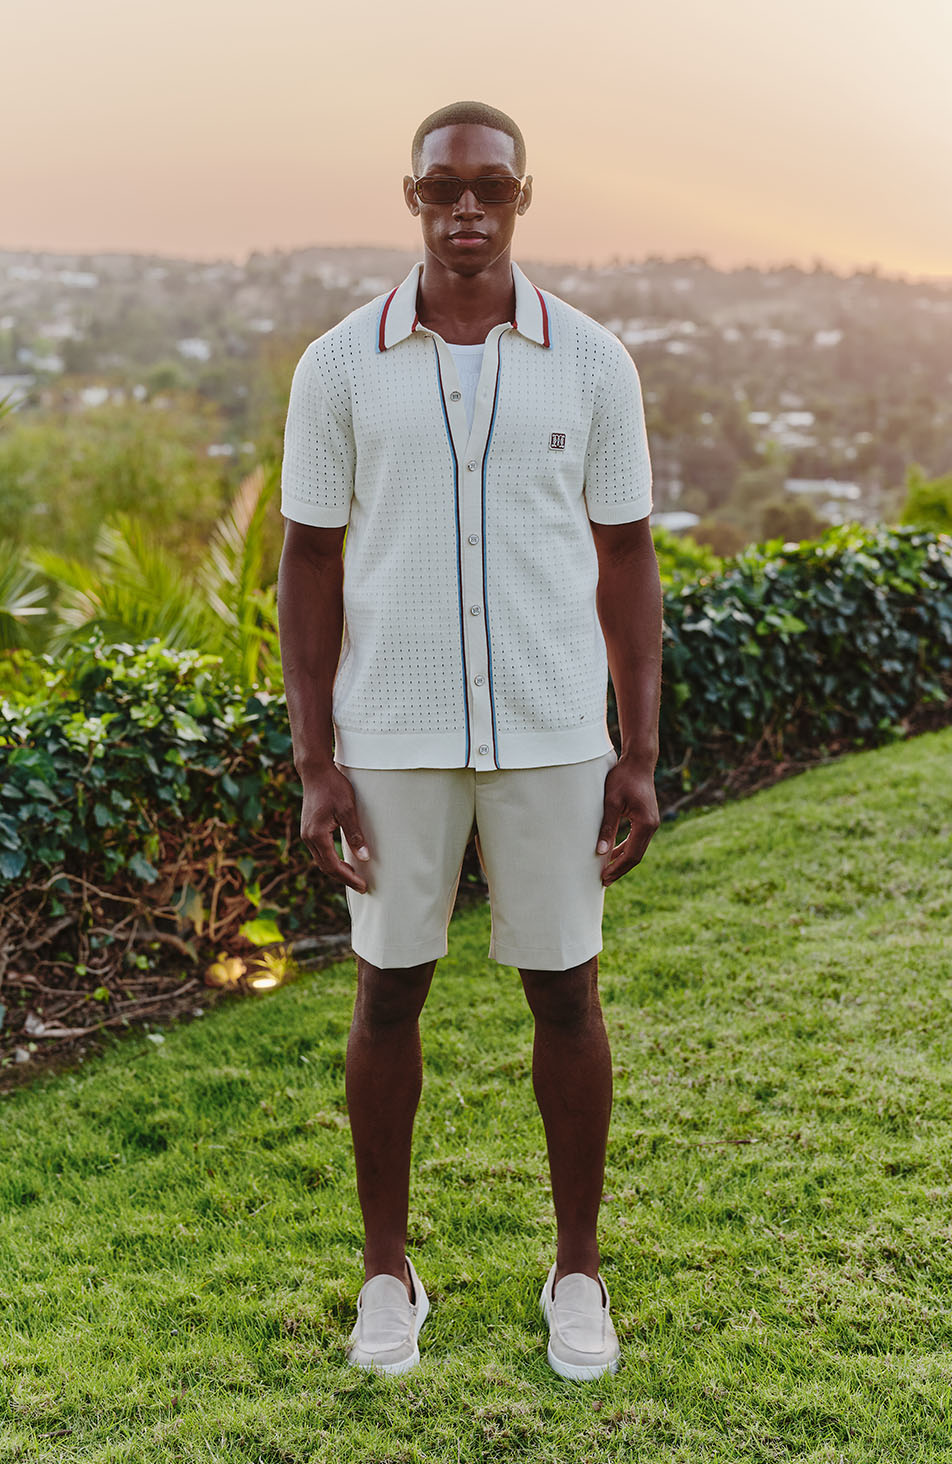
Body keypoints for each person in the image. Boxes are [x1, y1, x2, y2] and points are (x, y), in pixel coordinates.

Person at [277, 99, 662, 1381]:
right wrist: (316, 760)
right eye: (444, 187)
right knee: (389, 991)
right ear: (411, 196)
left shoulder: (592, 363)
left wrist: (639, 750)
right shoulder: (338, 365)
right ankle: (388, 1276)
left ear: (521, 197)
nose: (466, 208)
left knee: (566, 990)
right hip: (389, 736)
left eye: (489, 188)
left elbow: (626, 560)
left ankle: (578, 1273)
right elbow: (309, 564)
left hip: (554, 731)